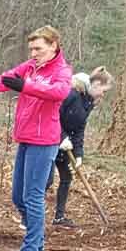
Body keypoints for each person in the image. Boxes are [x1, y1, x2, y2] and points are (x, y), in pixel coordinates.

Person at [0, 25, 73, 251]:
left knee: (32, 197)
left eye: (38, 48)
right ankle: (36, 247)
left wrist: (26, 86)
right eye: (31, 49)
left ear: (53, 46)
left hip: (44, 140)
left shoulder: (61, 70)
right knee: (18, 197)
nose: (33, 53)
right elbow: (6, 80)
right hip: (25, 137)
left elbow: (59, 92)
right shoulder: (30, 67)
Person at [50, 67, 112, 227]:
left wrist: (78, 154)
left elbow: (79, 129)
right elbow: (52, 115)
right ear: (96, 84)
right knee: (46, 181)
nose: (103, 95)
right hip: (49, 141)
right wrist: (61, 137)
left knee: (66, 178)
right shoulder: (71, 93)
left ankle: (59, 218)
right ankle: (28, 217)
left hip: (65, 146)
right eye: (103, 91)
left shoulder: (88, 102)